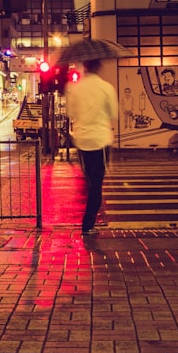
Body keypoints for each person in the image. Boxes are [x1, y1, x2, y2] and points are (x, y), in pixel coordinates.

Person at [66, 59, 118, 234]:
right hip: (100, 140)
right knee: (96, 184)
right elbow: (113, 113)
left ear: (85, 67)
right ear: (98, 67)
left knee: (90, 182)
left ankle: (88, 224)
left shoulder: (75, 88)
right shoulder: (106, 88)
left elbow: (70, 113)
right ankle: (88, 224)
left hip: (82, 140)